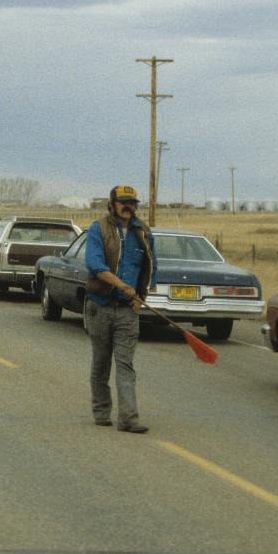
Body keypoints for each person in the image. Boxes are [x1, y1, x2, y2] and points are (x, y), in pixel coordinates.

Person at [83, 184, 157, 433]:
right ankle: (102, 411)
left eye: (133, 202)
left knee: (125, 364)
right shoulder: (98, 229)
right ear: (111, 204)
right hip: (99, 306)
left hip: (127, 311)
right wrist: (122, 285)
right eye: (123, 202)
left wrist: (140, 296)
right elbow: (95, 264)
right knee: (101, 362)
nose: (129, 206)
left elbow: (151, 267)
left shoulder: (143, 233)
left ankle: (128, 418)